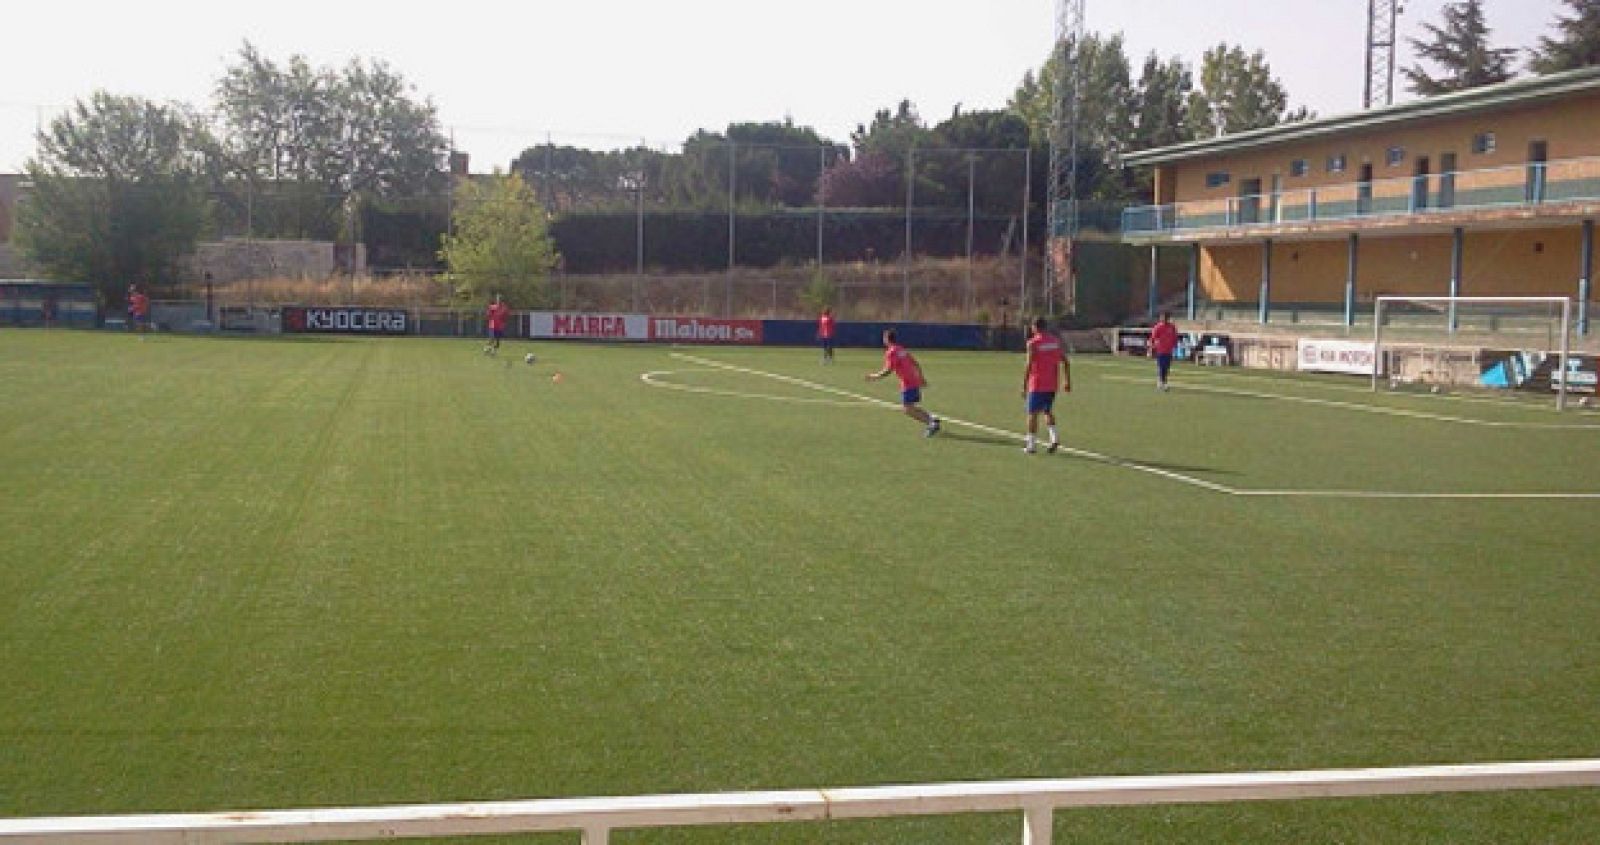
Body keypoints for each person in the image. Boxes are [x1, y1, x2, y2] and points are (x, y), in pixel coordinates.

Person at [866, 329, 940, 437]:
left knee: (907, 409)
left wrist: (874, 376)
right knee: (909, 407)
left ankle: (931, 422)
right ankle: (932, 420)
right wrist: (921, 378)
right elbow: (915, 363)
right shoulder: (901, 349)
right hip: (913, 380)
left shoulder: (891, 352)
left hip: (908, 383)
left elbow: (888, 370)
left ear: (886, 339)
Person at [1021, 317, 1070, 454]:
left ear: (1035, 327)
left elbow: (1029, 364)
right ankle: (1054, 438)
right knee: (1047, 411)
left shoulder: (1033, 343)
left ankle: (1031, 445)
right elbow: (1065, 361)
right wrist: (1067, 381)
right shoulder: (1055, 342)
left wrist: (1023, 384)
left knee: (1032, 414)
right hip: (1052, 384)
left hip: (1037, 383)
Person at [1149, 311, 1179, 391]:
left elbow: (1175, 337)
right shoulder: (1158, 327)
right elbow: (1153, 338)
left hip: (1169, 351)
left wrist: (1175, 346)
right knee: (1161, 367)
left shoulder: (1172, 327)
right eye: (1162, 317)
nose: (1163, 319)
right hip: (1160, 350)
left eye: (1165, 317)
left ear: (1167, 318)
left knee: (1166, 367)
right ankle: (1161, 383)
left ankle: (1163, 382)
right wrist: (1151, 348)